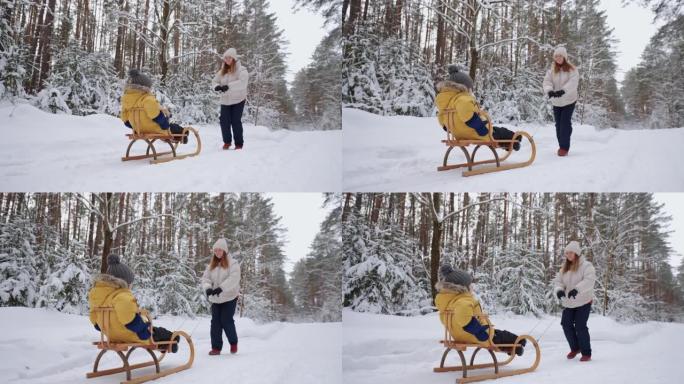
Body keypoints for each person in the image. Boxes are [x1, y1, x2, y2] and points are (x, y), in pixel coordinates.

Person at [88, 254, 179, 353]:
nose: (131, 286)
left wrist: (105, 328)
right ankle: (173, 340)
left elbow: (94, 320)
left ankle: (166, 343)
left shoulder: (97, 296)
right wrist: (143, 331)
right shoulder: (123, 296)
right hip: (131, 334)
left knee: (153, 331)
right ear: (123, 282)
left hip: (111, 335)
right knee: (158, 332)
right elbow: (129, 320)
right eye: (130, 283)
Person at [435, 265, 526, 356]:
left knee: (498, 337)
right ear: (463, 287)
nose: (472, 287)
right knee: (501, 335)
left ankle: (514, 348)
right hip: (476, 335)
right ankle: (519, 343)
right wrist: (478, 331)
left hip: (459, 335)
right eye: (470, 285)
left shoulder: (448, 303)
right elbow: (463, 317)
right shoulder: (463, 301)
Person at [435, 65, 522, 151]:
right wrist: (481, 129)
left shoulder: (445, 102)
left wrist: (451, 129)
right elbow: (467, 116)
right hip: (475, 132)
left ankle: (508, 143)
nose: (470, 90)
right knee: (500, 132)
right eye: (469, 88)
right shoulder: (463, 99)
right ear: (463, 87)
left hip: (459, 134)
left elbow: (441, 119)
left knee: (496, 132)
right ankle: (514, 140)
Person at [552, 241, 596, 362]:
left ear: (576, 253)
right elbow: (558, 282)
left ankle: (586, 352)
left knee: (580, 326)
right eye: (566, 253)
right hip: (569, 302)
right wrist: (559, 290)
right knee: (566, 324)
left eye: (570, 252)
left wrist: (577, 289)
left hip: (584, 301)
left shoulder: (586, 266)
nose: (568, 255)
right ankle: (575, 348)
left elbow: (589, 281)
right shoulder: (564, 268)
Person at [120, 69, 187, 143]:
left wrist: (134, 127)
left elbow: (124, 119)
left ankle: (174, 138)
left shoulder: (125, 100)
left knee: (169, 127)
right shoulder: (147, 99)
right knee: (174, 127)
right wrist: (165, 125)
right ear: (145, 87)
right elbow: (155, 115)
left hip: (138, 130)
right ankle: (183, 135)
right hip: (154, 129)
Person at [200, 238, 241, 355]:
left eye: (220, 250)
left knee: (226, 320)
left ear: (225, 251)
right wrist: (207, 288)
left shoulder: (233, 263)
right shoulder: (211, 265)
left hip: (229, 297)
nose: (217, 252)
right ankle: (216, 348)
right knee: (215, 323)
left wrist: (221, 288)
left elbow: (234, 278)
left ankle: (233, 343)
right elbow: (205, 279)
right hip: (216, 299)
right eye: (215, 250)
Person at [542, 46, 580, 157]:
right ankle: (562, 144)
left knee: (564, 123)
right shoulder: (551, 71)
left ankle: (564, 147)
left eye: (560, 56)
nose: (558, 58)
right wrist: (549, 91)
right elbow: (547, 82)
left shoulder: (572, 70)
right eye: (556, 56)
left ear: (564, 57)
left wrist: (563, 91)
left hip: (569, 100)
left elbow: (573, 83)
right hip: (557, 102)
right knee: (558, 125)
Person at [212, 48, 249, 150]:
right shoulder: (222, 71)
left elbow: (243, 83)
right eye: (225, 58)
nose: (227, 60)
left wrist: (228, 86)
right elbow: (214, 81)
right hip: (225, 100)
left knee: (235, 121)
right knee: (224, 121)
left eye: (229, 58)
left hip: (238, 99)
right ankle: (227, 142)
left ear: (234, 58)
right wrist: (217, 87)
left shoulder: (242, 70)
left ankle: (239, 144)